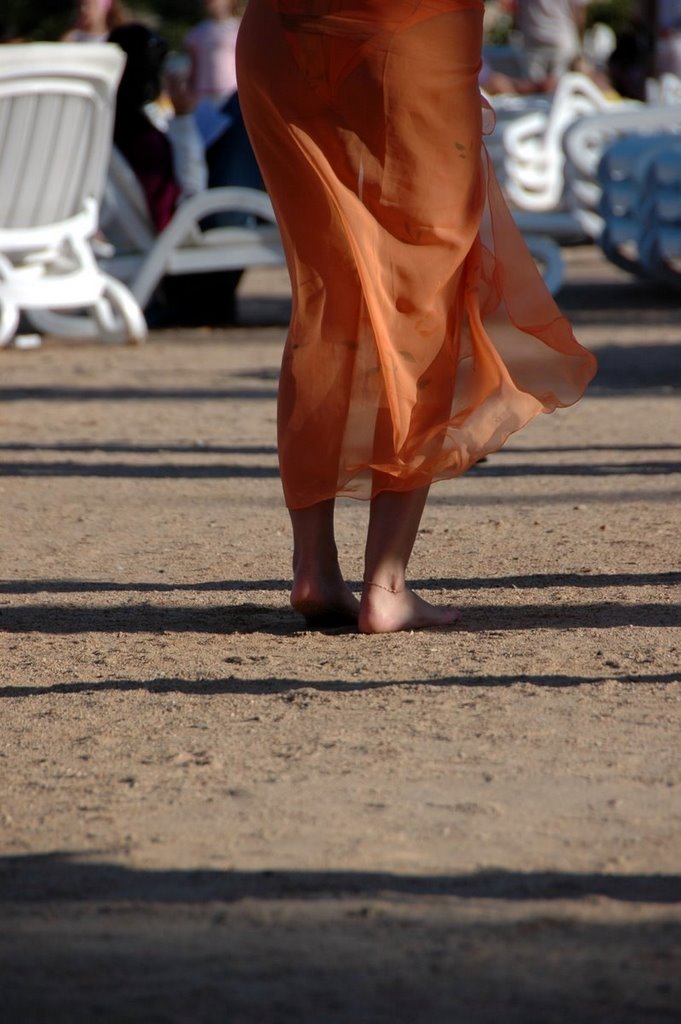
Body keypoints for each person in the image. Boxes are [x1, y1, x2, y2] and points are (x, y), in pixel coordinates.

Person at [236, 0, 597, 634]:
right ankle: (387, 583)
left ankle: (315, 566)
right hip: (406, 27)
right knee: (427, 294)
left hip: (278, 34)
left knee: (324, 293)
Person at [514, 0, 590, 84]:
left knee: (536, 91)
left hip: (534, 40)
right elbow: (579, 13)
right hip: (560, 40)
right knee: (562, 88)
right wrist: (580, 44)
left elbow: (517, 11)